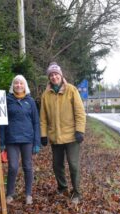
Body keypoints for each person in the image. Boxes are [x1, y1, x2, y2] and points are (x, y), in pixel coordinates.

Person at [40, 62, 86, 204]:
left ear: (61, 75)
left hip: (72, 136)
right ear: (49, 77)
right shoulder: (45, 95)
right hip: (55, 137)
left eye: (56, 74)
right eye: (51, 75)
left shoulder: (71, 90)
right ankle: (62, 187)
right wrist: (43, 135)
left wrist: (80, 130)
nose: (54, 77)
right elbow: (43, 118)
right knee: (56, 165)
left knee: (73, 165)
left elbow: (80, 112)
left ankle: (76, 192)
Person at [0, 75, 40, 205]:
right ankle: (10, 193)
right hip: (11, 139)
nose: (18, 85)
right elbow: (1, 122)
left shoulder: (30, 101)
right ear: (13, 85)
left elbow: (36, 122)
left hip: (27, 139)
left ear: (25, 85)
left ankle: (28, 194)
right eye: (16, 83)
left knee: (27, 166)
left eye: (21, 83)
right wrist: (1, 141)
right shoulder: (6, 100)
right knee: (13, 167)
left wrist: (37, 142)